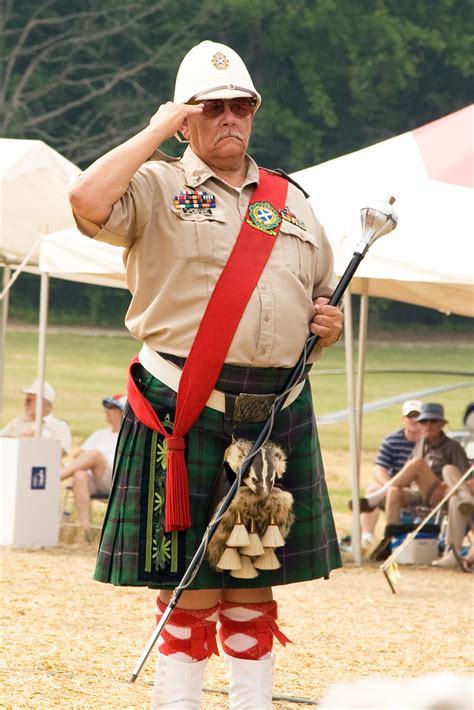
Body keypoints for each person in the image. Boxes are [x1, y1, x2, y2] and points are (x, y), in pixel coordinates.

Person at [69, 39, 343, 708]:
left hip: (274, 418)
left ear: (254, 111)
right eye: (211, 107)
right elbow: (84, 199)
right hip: (185, 409)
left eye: (240, 106)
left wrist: (329, 327)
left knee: (252, 590)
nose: (229, 118)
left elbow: (320, 300)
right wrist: (159, 127)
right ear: (188, 117)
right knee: (189, 595)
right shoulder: (155, 184)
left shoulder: (292, 200)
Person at [351, 403, 470, 553]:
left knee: (418, 464)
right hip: (418, 491)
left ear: (442, 424)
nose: (428, 425)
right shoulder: (421, 443)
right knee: (395, 491)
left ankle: (378, 496)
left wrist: (445, 485)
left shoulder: (453, 447)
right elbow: (379, 467)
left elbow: (465, 478)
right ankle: (392, 542)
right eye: (423, 421)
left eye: (433, 421)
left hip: (440, 493)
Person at [60, 395, 125, 541]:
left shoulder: (127, 436)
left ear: (123, 412)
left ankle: (57, 477)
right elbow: (81, 456)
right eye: (106, 408)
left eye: (112, 408)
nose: (107, 411)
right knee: (79, 475)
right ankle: (86, 531)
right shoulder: (99, 434)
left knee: (95, 454)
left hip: (116, 480)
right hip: (95, 479)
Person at [358, 400, 422, 547]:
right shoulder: (392, 440)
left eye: (417, 416)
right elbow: (379, 467)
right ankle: (366, 539)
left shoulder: (428, 441)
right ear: (403, 419)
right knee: (372, 490)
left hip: (417, 491)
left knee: (387, 492)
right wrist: (388, 484)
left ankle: (392, 540)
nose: (413, 420)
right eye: (410, 416)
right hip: (393, 487)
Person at [0, 379, 71, 456]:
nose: (25, 404)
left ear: (44, 403)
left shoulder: (59, 426)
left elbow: (60, 454)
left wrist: (34, 441)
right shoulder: (18, 421)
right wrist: (18, 439)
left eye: (29, 400)